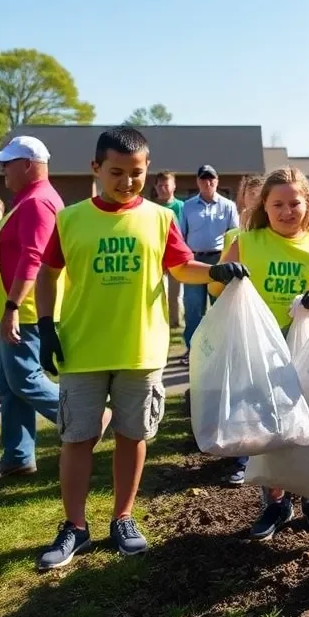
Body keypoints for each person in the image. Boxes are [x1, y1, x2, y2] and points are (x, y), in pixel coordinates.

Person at [32, 127, 246, 571]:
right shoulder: (70, 219)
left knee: (134, 436)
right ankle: (75, 526)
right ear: (96, 169)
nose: (126, 181)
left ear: (147, 170)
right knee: (77, 439)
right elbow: (48, 273)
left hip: (141, 352)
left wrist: (215, 272)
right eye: (116, 172)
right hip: (83, 349)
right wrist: (45, 325)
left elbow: (181, 267)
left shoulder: (160, 217)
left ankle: (123, 518)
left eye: (135, 173)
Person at [210, 167, 309, 539]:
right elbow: (218, 290)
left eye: (294, 203)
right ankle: (276, 502)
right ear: (263, 206)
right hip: (260, 349)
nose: (287, 211)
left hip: (308, 347)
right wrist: (222, 274)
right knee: (267, 428)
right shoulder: (246, 242)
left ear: (307, 203)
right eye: (277, 204)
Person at [0, 137, 63, 480]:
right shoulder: (28, 199)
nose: (2, 169)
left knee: (25, 380)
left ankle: (88, 417)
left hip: (24, 311)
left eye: (7, 162)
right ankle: (18, 456)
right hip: (16, 308)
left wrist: (13, 305)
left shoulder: (37, 202)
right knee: (10, 387)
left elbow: (34, 257)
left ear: (28, 164)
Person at [218, 172, 265, 487]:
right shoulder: (236, 236)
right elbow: (216, 285)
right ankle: (244, 457)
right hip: (244, 320)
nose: (256, 201)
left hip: (277, 320)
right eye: (252, 194)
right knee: (244, 389)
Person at [178, 165, 240, 364]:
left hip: (219, 261)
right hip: (194, 260)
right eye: (203, 178)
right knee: (193, 306)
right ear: (197, 182)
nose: (208, 182)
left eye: (211, 178)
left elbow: (235, 236)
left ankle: (220, 349)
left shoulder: (228, 205)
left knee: (220, 307)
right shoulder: (187, 206)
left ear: (217, 181)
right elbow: (181, 235)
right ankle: (193, 349)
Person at [152, 171, 185, 329]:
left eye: (166, 185)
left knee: (175, 294)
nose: (163, 188)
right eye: (160, 185)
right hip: (156, 256)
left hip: (174, 256)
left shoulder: (181, 207)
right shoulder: (151, 208)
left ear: (174, 186)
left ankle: (174, 323)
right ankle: (157, 321)